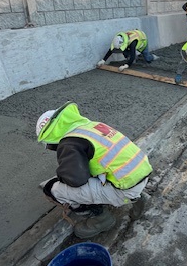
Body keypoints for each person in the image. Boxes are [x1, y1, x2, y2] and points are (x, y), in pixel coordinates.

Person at [36, 102, 153, 239]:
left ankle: (102, 219)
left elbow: (75, 180)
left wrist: (59, 177)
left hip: (124, 189)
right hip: (138, 176)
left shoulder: (69, 143)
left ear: (50, 138)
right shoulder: (90, 126)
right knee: (92, 174)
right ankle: (136, 197)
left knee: (55, 189)